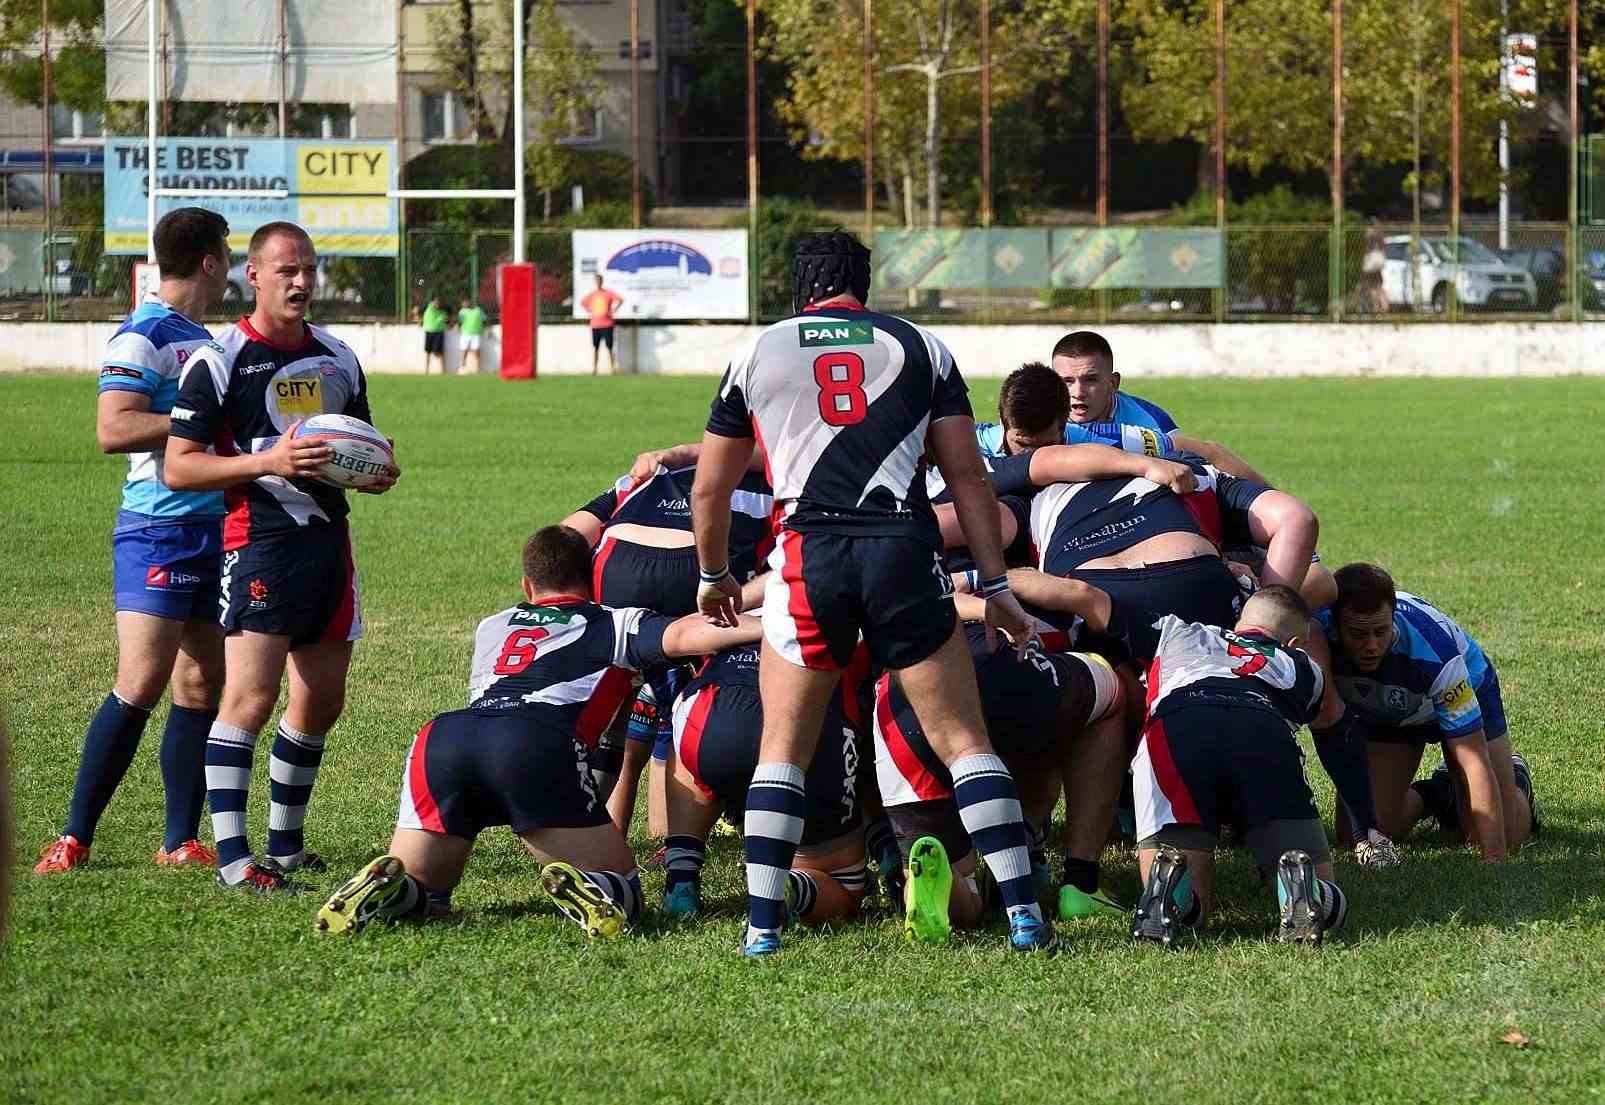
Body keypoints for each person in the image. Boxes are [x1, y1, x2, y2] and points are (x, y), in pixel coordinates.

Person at [691, 230, 1049, 956]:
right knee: (963, 741)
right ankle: (1023, 918)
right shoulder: (922, 346)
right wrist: (996, 582)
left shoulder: (757, 349)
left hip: (808, 556)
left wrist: (712, 575)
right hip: (901, 550)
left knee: (782, 749)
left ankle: (762, 930)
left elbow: (711, 485)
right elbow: (969, 477)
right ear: (864, 284)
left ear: (799, 287)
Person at [313, 526, 764, 940]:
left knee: (429, 895)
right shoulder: (614, 622)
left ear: (527, 586)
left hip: (442, 741)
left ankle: (391, 892)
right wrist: (776, 623)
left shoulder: (492, 625)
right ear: (591, 580)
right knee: (627, 896)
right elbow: (689, 634)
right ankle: (593, 887)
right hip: (532, 741)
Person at [164, 220, 400, 892]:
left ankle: (287, 846)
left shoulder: (338, 356)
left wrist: (376, 470)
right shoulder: (220, 359)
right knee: (250, 695)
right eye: (285, 271)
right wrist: (268, 459)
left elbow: (360, 441)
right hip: (260, 540)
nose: (300, 282)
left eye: (307, 269)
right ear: (253, 275)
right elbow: (180, 467)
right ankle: (237, 861)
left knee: (322, 698)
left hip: (329, 543)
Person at [34, 206, 233, 876]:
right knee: (140, 681)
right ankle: (73, 836)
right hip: (159, 527)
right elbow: (113, 428)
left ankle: (180, 838)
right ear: (209, 261)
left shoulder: (204, 337)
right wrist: (192, 414)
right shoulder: (141, 335)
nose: (230, 270)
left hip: (214, 526)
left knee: (203, 682)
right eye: (227, 258)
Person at [874, 600, 1124, 943]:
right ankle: (1077, 884)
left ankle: (940, 877)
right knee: (1112, 693)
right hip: (987, 656)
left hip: (895, 703)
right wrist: (993, 595)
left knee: (969, 901)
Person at [1124, 586, 1351, 946]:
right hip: (1262, 729)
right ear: (1294, 643)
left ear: (1240, 620)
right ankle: (1310, 892)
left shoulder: (1175, 630)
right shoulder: (1305, 667)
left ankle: (1176, 894)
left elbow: (1089, 599)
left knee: (1191, 914)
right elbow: (1317, 715)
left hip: (1180, 725)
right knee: (1325, 899)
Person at [560, 460, 773, 838]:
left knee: (619, 698)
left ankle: (586, 839)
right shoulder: (788, 479)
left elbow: (568, 534)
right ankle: (691, 841)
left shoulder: (655, 472)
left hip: (617, 564)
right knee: (711, 683)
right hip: (694, 567)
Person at [1319, 563, 1537, 862]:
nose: (1371, 645)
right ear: (1335, 625)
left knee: (1503, 835)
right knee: (1361, 834)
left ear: (1393, 617)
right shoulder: (1317, 634)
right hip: (1392, 711)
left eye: (1381, 631)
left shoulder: (1435, 654)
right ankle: (1438, 793)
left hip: (1466, 689)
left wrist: (1494, 860)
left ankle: (1516, 780)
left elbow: (1472, 758)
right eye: (1358, 634)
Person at [662, 641, 871, 925]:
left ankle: (681, 875)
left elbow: (680, 634)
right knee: (845, 885)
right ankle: (790, 887)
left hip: (719, 714)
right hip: (812, 723)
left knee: (694, 709)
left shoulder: (730, 605)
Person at [582, 273, 624, 375]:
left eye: (599, 280)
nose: (598, 282)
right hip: (595, 324)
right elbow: (583, 303)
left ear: (602, 281)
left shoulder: (608, 293)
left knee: (609, 347)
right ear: (595, 282)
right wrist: (589, 310)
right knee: (596, 347)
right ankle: (594, 369)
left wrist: (614, 310)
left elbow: (620, 300)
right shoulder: (592, 294)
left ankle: (613, 369)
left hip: (607, 324)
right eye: (596, 281)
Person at [456, 297, 485, 375]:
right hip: (465, 334)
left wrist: (487, 329)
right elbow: (459, 322)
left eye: (466, 302)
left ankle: (478, 369)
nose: (464, 304)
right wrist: (457, 327)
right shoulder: (462, 311)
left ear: (470, 302)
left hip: (476, 334)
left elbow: (484, 320)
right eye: (463, 303)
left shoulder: (478, 310)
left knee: (476, 351)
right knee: (463, 350)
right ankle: (462, 368)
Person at [420, 295, 448, 375]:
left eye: (438, 303)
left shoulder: (443, 311)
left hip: (439, 332)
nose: (436, 305)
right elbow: (416, 311)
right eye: (435, 303)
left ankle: (442, 371)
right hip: (429, 331)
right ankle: (426, 370)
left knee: (439, 352)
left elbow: (447, 320)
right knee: (428, 351)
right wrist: (420, 320)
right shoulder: (427, 307)